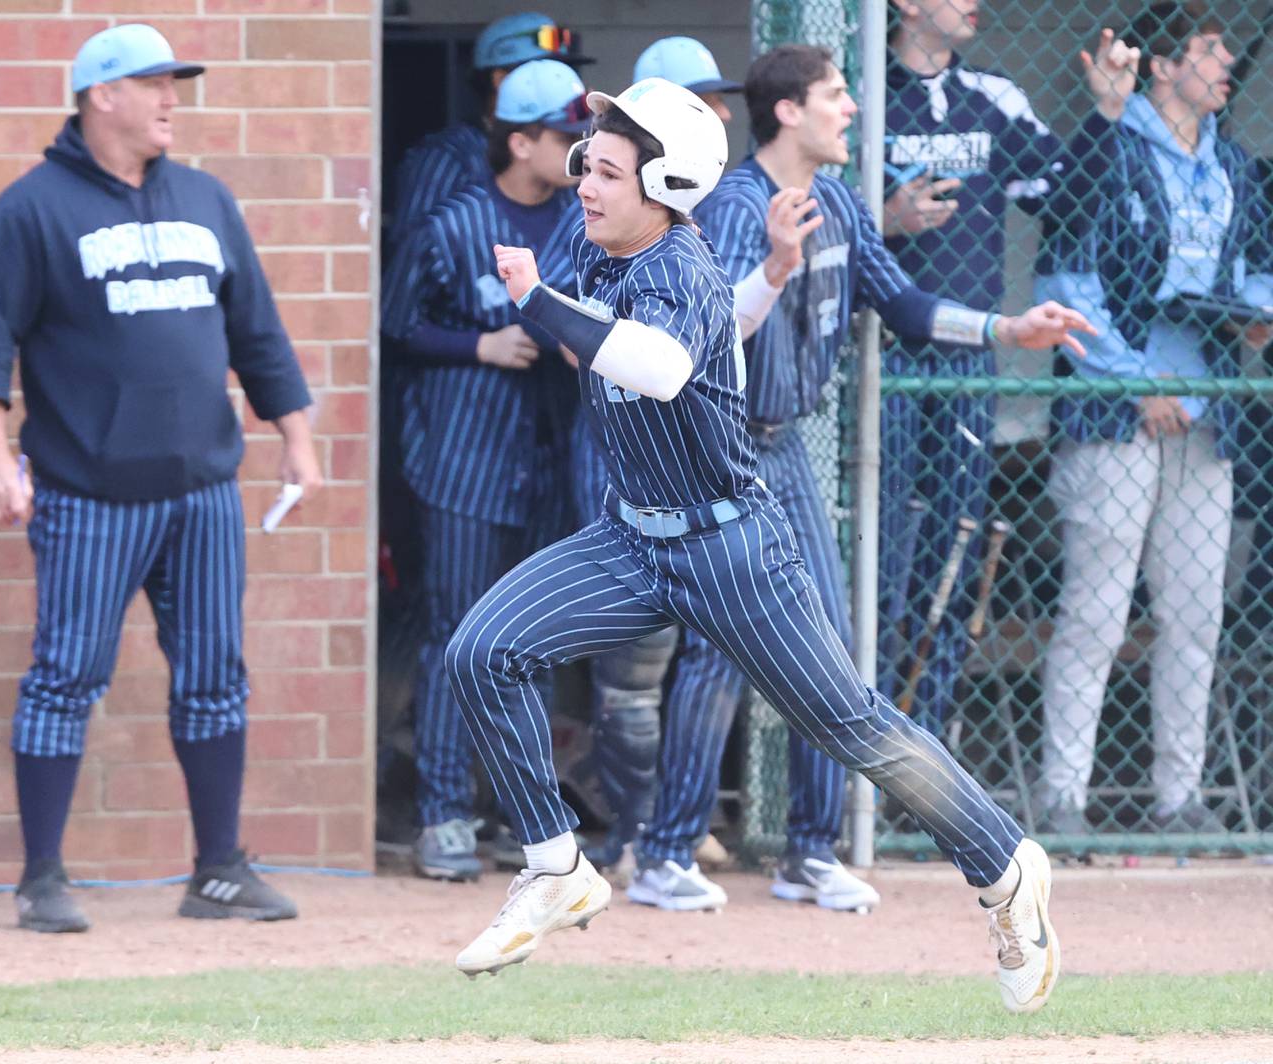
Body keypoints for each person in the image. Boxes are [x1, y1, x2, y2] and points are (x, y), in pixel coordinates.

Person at [447, 72, 1094, 1014]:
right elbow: (714, 335)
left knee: (856, 728)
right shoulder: (607, 254)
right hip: (633, 537)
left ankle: (1006, 869)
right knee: (482, 651)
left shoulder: (679, 266)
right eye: (589, 162)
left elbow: (665, 367)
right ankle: (555, 866)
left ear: (663, 191)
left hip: (730, 548)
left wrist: (537, 300)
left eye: (611, 171)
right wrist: (751, 262)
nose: (585, 180)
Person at [0, 24, 322, 932]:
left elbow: (258, 332)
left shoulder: (204, 199)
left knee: (214, 678)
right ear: (99, 96)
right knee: (65, 676)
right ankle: (42, 880)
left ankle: (219, 871)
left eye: (175, 85)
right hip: (86, 495)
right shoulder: (32, 209)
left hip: (203, 491)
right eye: (153, 84)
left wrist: (297, 439)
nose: (171, 100)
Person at [1035, 0, 1273, 835]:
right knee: (1096, 611)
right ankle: (1063, 795)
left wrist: (1259, 314)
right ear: (1163, 65)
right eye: (1208, 51)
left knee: (1196, 613)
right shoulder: (1109, 149)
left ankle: (1181, 796)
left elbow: (1251, 272)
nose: (1224, 66)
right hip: (1117, 413)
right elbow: (1064, 283)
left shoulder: (1234, 164)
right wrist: (1135, 381)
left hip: (1208, 409)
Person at [878, 0, 1137, 737]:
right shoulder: (859, 99)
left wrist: (1106, 116)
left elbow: (1064, 200)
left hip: (969, 367)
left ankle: (927, 737)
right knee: (882, 558)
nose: (975, 4)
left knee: (953, 552)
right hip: (880, 362)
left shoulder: (992, 96)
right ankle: (859, 752)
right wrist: (886, 217)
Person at [379, 59, 589, 881]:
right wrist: (479, 343)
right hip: (464, 456)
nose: (577, 153)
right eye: (565, 137)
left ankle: (524, 821)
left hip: (551, 452)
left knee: (530, 645)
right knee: (455, 636)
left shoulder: (581, 224)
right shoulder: (456, 220)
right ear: (521, 138)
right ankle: (442, 814)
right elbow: (396, 328)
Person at [569, 34, 745, 903]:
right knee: (626, 678)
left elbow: (675, 359)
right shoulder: (597, 236)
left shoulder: (691, 253)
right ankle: (641, 842)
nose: (591, 180)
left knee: (829, 707)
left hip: (720, 502)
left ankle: (673, 837)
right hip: (629, 483)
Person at [390, 12, 593, 237]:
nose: (558, 78)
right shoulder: (443, 157)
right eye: (540, 69)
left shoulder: (569, 179)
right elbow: (412, 251)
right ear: (499, 79)